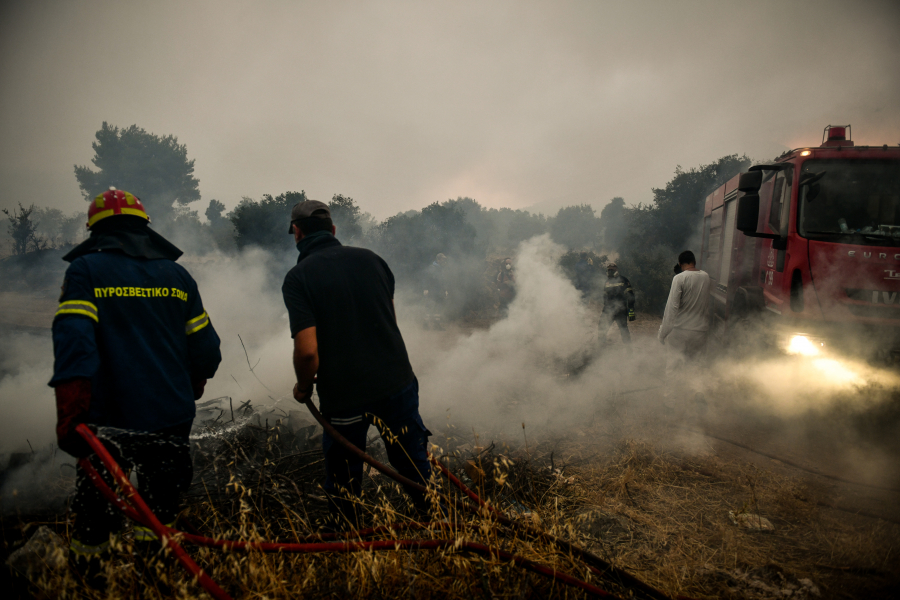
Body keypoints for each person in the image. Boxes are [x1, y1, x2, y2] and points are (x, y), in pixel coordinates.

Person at [49, 188, 222, 581]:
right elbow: (206, 347)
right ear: (144, 227)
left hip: (107, 420)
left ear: (96, 230)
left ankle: (92, 580)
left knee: (96, 508)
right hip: (171, 417)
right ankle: (155, 575)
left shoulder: (85, 272)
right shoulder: (177, 276)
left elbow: (75, 343)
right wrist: (193, 382)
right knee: (161, 508)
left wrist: (70, 409)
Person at [281, 200, 435, 530]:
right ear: (333, 230)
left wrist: (304, 387)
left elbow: (308, 352)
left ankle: (348, 535)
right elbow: (389, 321)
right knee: (411, 459)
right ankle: (435, 519)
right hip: (397, 382)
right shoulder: (373, 260)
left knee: (344, 470)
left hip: (345, 395)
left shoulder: (298, 278)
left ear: (297, 232)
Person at [657, 250, 711, 407]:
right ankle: (699, 393)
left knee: (673, 365)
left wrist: (662, 333)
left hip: (680, 331)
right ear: (694, 262)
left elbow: (671, 309)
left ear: (681, 264)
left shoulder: (679, 278)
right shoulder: (706, 277)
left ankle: (670, 403)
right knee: (697, 364)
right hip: (700, 330)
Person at [599, 262, 635, 349]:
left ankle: (629, 351)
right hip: (608, 310)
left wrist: (631, 311)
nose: (610, 271)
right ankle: (600, 349)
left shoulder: (624, 280)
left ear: (616, 270)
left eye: (612, 270)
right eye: (608, 270)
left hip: (620, 310)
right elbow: (605, 297)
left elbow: (630, 296)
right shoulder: (607, 282)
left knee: (624, 331)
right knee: (601, 328)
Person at [423, 253, 448, 330]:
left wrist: (445, 290)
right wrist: (426, 289)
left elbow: (442, 281)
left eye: (444, 259)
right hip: (432, 291)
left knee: (438, 309)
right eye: (443, 259)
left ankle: (437, 325)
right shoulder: (432, 268)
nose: (444, 261)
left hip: (439, 291)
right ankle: (426, 325)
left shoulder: (441, 268)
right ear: (438, 259)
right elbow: (427, 279)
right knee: (431, 308)